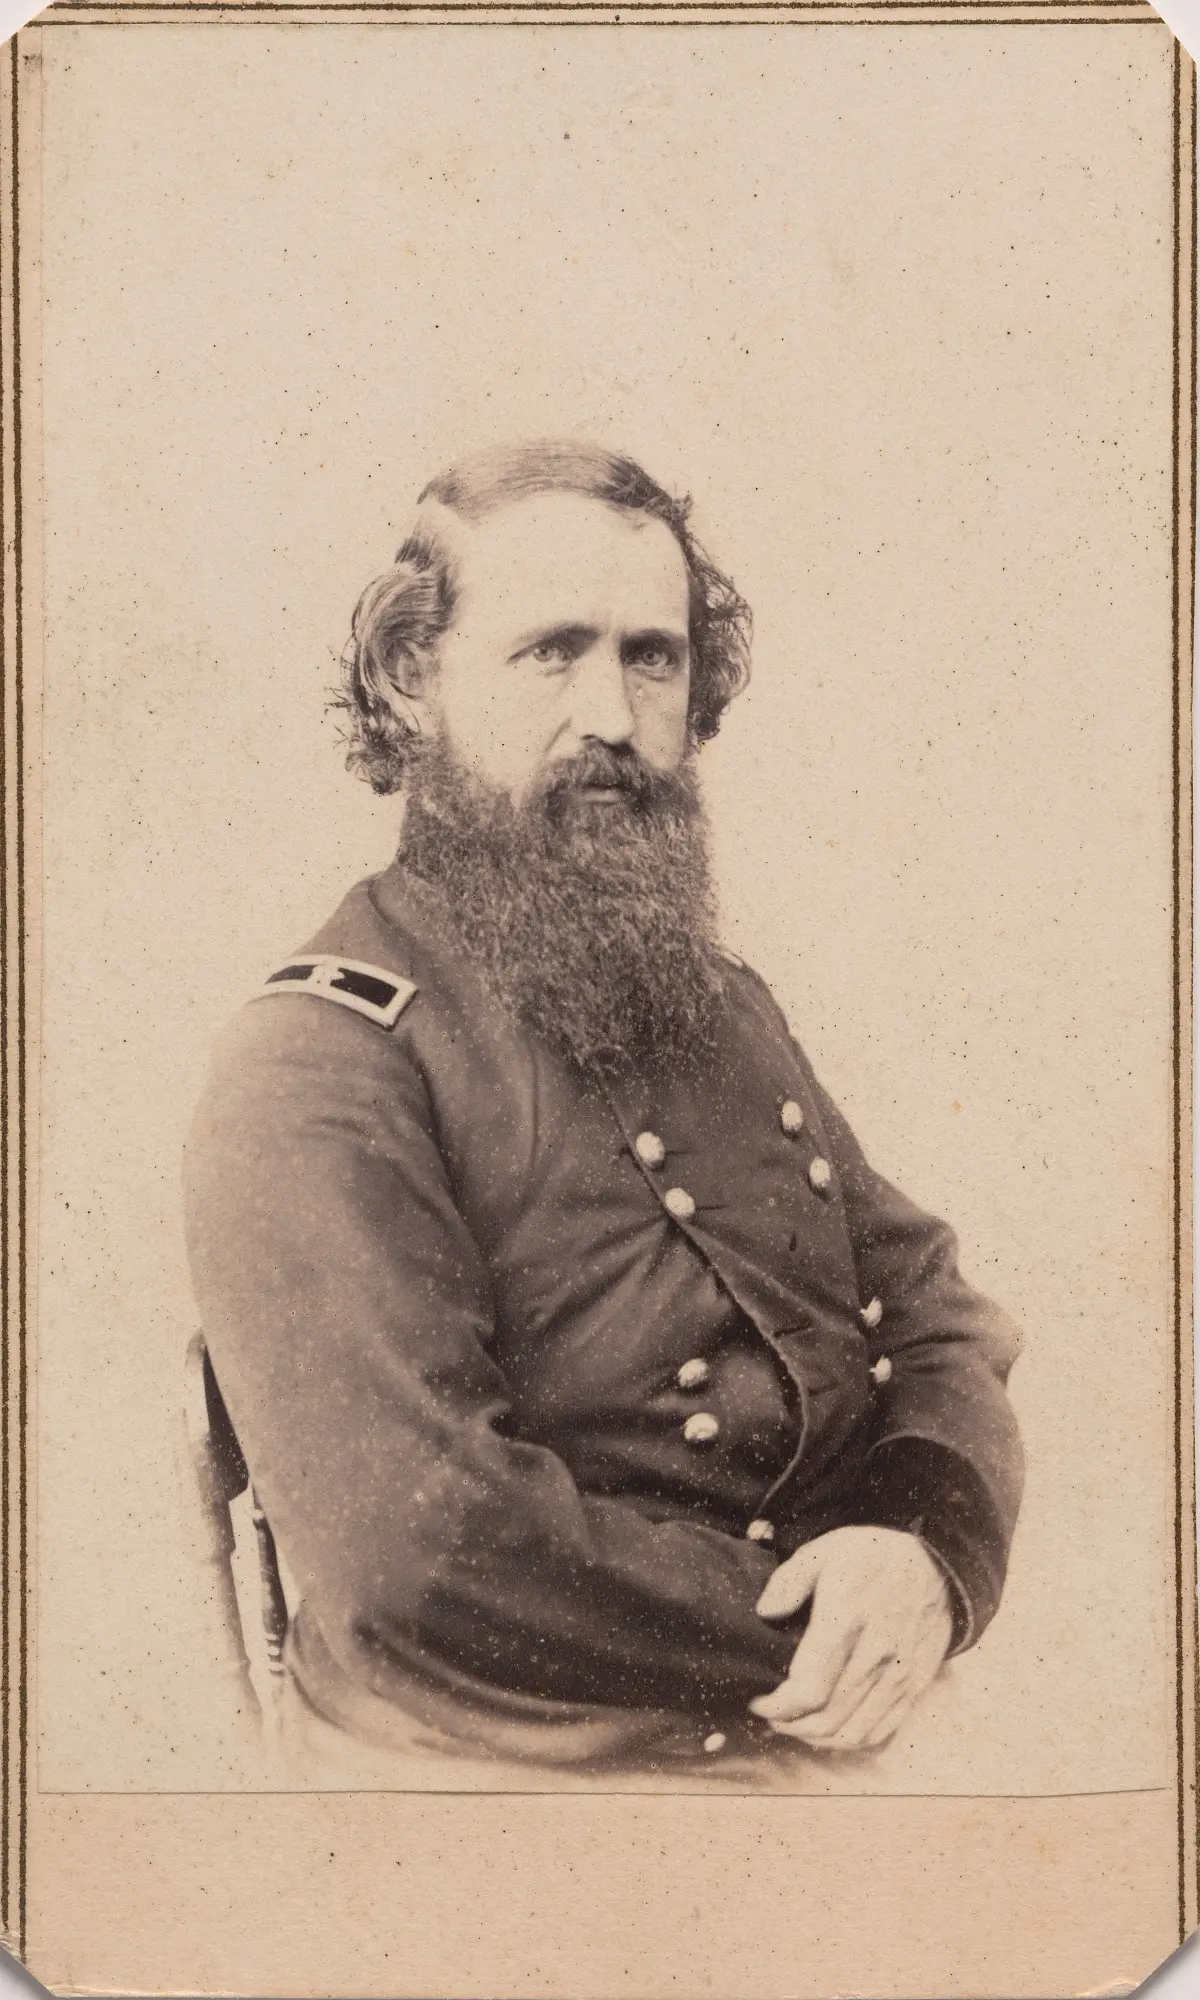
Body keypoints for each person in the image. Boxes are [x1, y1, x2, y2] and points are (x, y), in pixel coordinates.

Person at [183, 440, 1024, 1777]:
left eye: (653, 658)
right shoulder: (320, 1060)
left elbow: (933, 1314)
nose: (616, 719)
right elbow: (424, 1552)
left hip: (814, 1731)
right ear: (409, 678)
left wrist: (926, 1549)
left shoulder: (721, 1006)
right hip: (517, 1787)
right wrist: (836, 1615)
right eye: (550, 652)